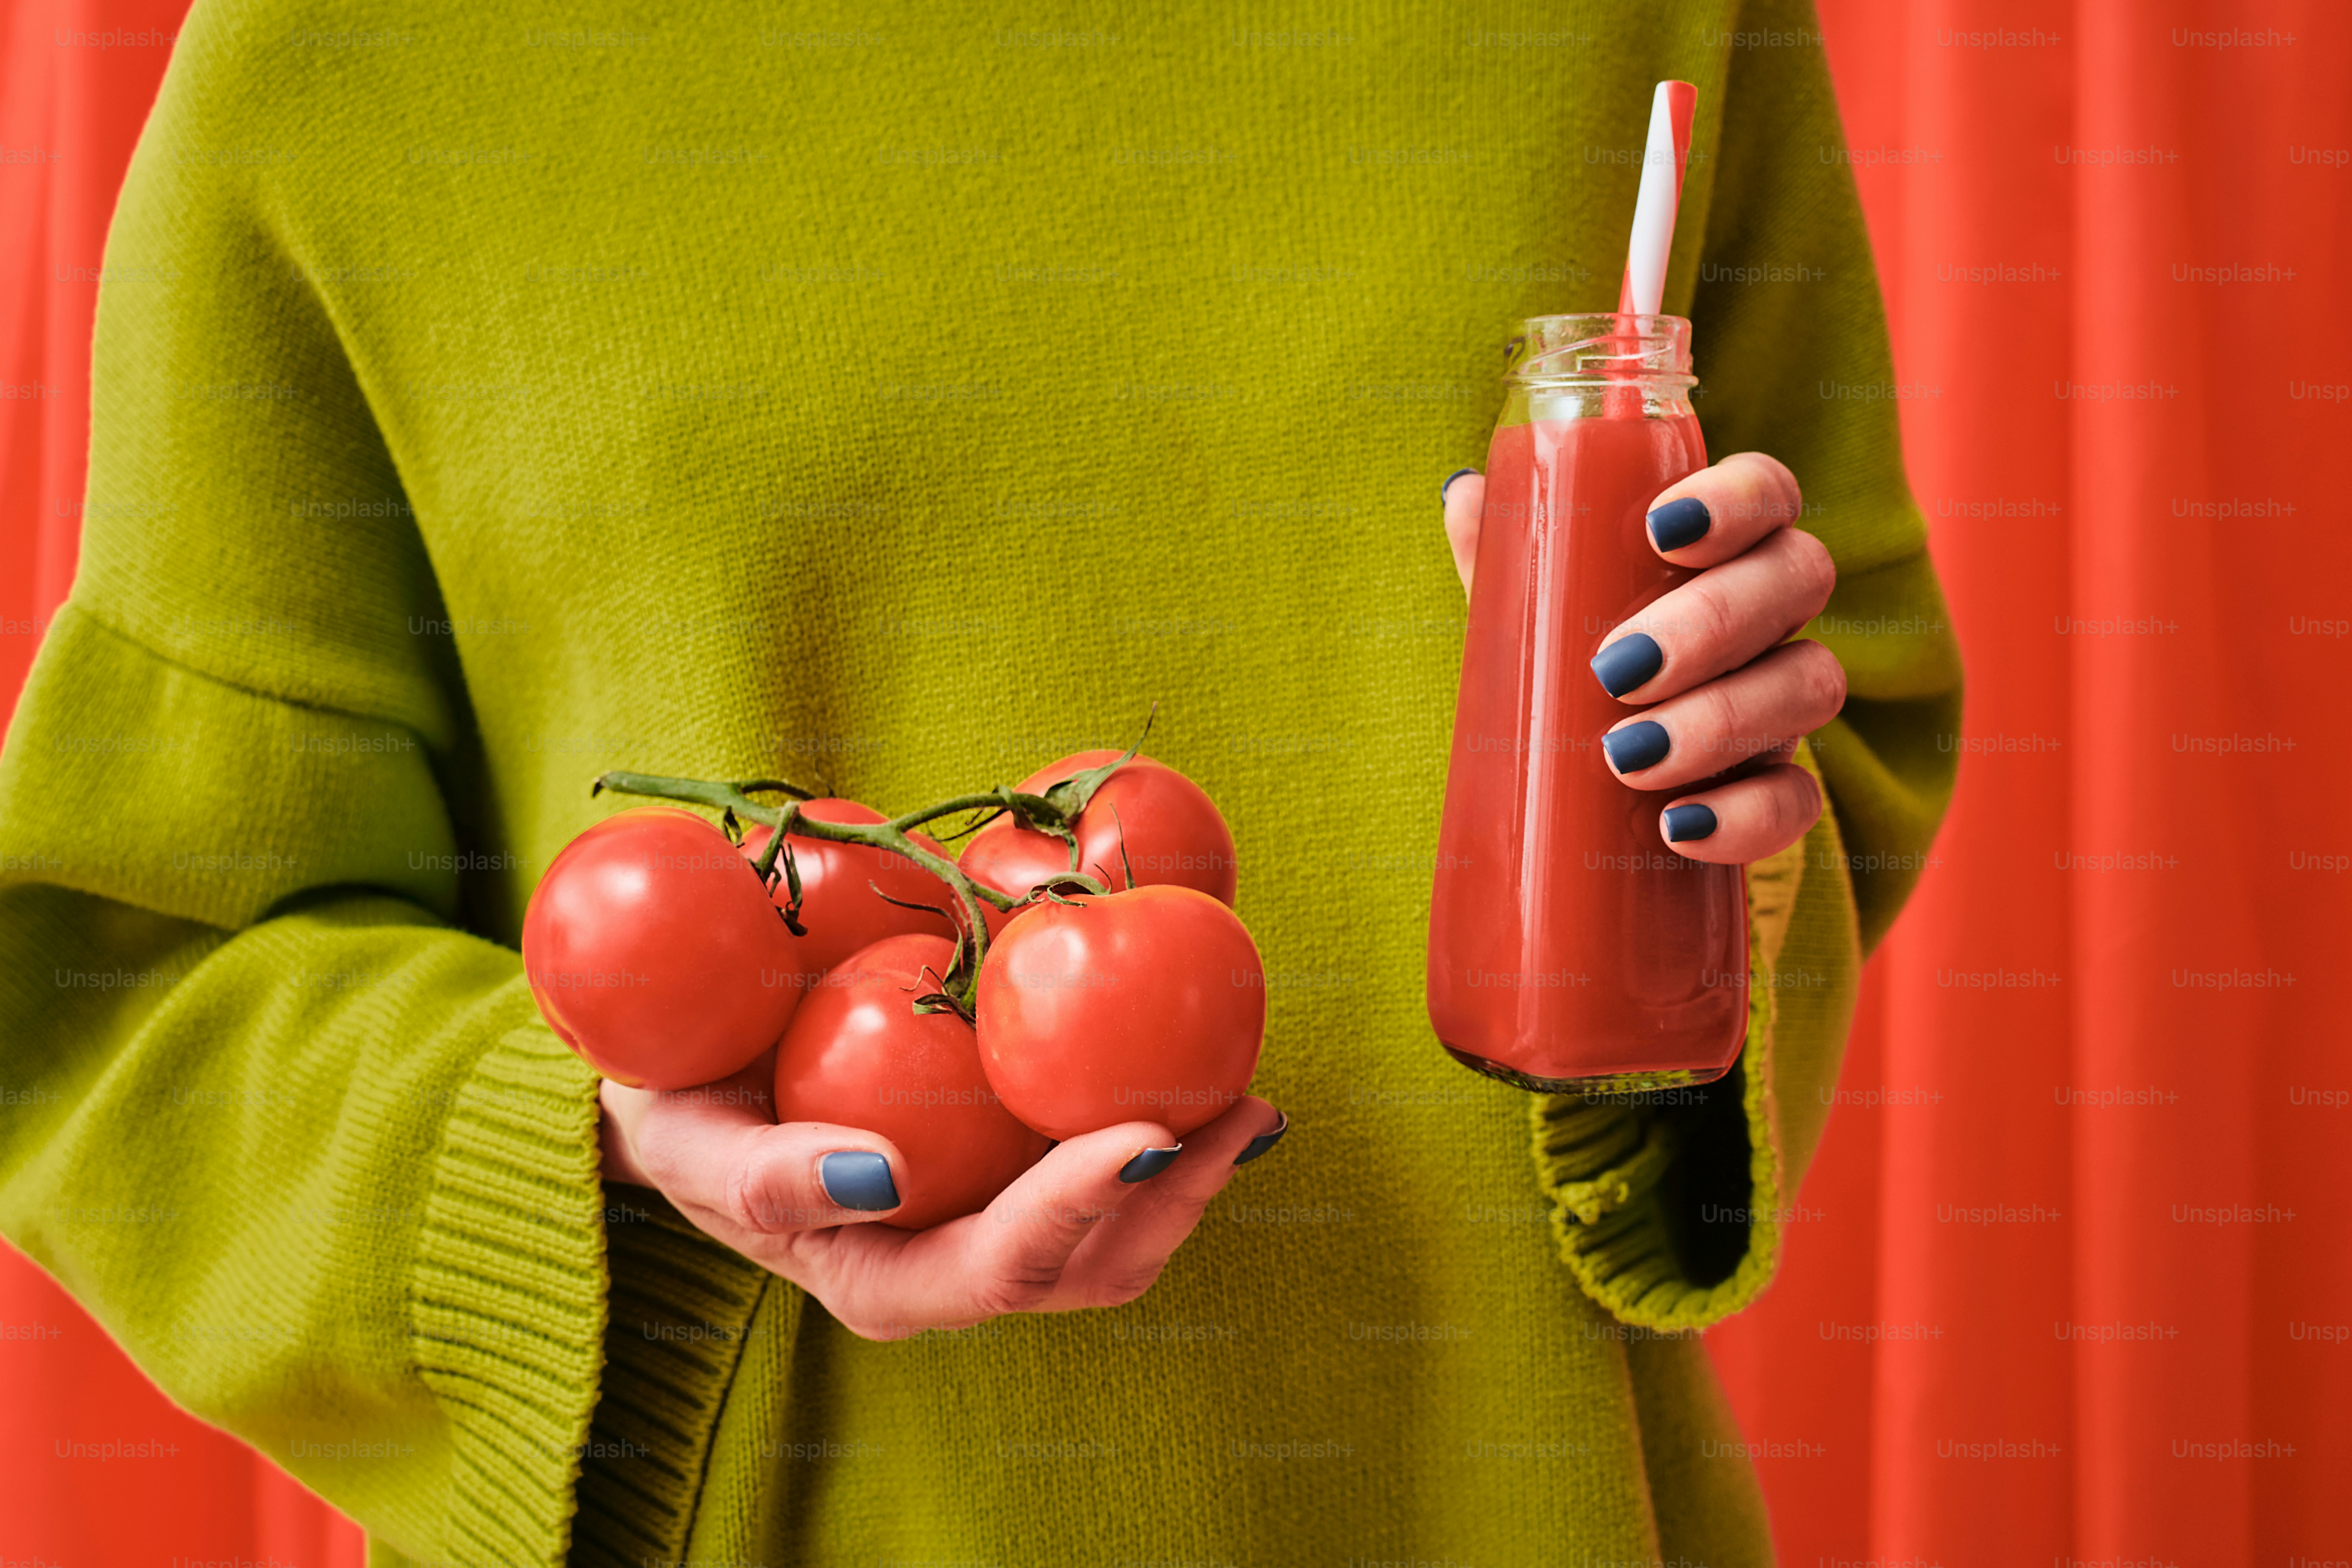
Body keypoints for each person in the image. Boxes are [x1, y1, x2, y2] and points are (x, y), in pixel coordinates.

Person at [0, 2, 1958, 1564]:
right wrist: (598, 1146)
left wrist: (1702, 810)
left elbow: (1842, 705)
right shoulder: (339, 55)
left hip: (1493, 1498)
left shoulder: (1640, 24)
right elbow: (123, 976)